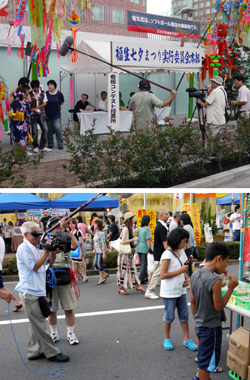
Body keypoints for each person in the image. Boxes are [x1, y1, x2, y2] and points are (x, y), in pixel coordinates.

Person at [16, 221, 69, 362]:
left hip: (38, 290)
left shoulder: (35, 246)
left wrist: (52, 252)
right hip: (29, 291)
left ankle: (34, 351)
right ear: (25, 234)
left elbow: (50, 261)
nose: (38, 236)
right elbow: (34, 266)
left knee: (36, 323)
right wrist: (46, 252)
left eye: (39, 233)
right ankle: (52, 352)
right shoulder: (23, 248)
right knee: (40, 323)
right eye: (35, 234)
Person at [190, 242, 238, 380]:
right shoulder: (214, 280)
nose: (225, 267)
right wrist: (230, 288)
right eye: (226, 261)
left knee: (203, 355)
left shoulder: (195, 274)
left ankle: (200, 377)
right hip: (211, 327)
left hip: (200, 323)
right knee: (208, 361)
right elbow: (219, 306)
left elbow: (193, 302)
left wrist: (195, 320)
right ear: (218, 258)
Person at [160, 227, 197, 351]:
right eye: (184, 241)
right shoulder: (166, 254)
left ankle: (187, 339)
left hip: (181, 290)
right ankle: (167, 338)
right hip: (169, 292)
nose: (185, 244)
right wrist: (180, 272)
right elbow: (163, 275)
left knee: (184, 316)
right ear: (176, 240)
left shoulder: (181, 252)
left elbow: (183, 267)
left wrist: (186, 277)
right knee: (169, 316)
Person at [46, 217, 79, 345]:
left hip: (65, 274)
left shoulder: (65, 236)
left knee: (69, 308)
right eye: (55, 226)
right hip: (51, 276)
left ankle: (70, 333)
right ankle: (53, 333)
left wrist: (65, 230)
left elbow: (75, 245)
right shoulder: (46, 238)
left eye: (58, 226)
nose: (57, 228)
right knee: (51, 309)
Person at [117, 212, 145, 295]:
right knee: (125, 270)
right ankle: (122, 287)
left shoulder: (128, 228)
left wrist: (133, 244)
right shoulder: (125, 228)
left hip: (127, 253)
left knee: (132, 270)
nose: (134, 219)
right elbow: (123, 241)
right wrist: (133, 240)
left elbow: (126, 241)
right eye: (132, 218)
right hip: (124, 254)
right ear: (129, 219)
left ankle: (137, 285)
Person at [145, 209, 169, 300]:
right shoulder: (161, 228)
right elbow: (165, 243)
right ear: (161, 216)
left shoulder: (160, 226)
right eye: (166, 214)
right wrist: (171, 253)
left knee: (161, 273)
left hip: (160, 254)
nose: (168, 215)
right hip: (161, 255)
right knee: (157, 274)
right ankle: (149, 291)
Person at [0, 235, 23, 312]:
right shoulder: (1, 240)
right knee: (1, 288)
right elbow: (3, 256)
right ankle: (17, 301)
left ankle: (17, 301)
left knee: (1, 288)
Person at [29, 79, 51, 153]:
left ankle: (42, 146)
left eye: (36, 87)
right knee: (34, 131)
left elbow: (45, 103)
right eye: (33, 88)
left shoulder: (43, 93)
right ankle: (35, 146)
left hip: (41, 113)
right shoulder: (30, 94)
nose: (35, 89)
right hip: (33, 114)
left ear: (38, 86)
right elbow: (30, 106)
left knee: (45, 129)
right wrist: (33, 102)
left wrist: (36, 108)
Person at [9, 86, 31, 154]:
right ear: (24, 94)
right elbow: (28, 115)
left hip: (15, 124)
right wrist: (28, 123)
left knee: (16, 140)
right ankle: (22, 158)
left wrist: (11, 125)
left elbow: (10, 115)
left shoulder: (13, 103)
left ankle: (15, 157)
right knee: (23, 140)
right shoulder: (25, 104)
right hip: (22, 124)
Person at [45, 79, 64, 150]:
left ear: (54, 86)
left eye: (51, 85)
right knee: (49, 129)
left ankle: (60, 144)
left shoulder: (59, 94)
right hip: (48, 114)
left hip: (56, 114)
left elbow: (61, 102)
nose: (50, 86)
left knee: (57, 128)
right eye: (49, 85)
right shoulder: (46, 93)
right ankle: (50, 144)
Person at [76, 215, 93, 283]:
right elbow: (87, 231)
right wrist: (92, 234)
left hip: (79, 240)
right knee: (83, 259)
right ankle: (84, 273)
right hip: (84, 240)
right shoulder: (84, 224)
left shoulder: (78, 225)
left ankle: (80, 275)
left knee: (78, 259)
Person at [180, 213, 197, 278]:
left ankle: (187, 279)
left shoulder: (185, 228)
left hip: (187, 248)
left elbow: (186, 240)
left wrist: (183, 249)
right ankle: (192, 279)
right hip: (191, 247)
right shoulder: (190, 227)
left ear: (183, 220)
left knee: (185, 264)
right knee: (189, 265)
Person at [93, 219, 109, 285]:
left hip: (101, 251)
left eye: (95, 224)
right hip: (97, 251)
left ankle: (101, 278)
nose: (94, 225)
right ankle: (104, 274)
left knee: (99, 264)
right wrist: (94, 248)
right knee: (95, 264)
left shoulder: (101, 233)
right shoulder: (95, 233)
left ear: (98, 225)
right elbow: (94, 241)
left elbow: (103, 243)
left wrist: (104, 254)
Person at [136, 214, 152, 284]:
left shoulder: (139, 228)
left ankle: (144, 277)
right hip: (144, 248)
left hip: (138, 247)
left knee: (142, 263)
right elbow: (148, 239)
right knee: (144, 264)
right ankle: (140, 278)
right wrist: (149, 249)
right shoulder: (147, 228)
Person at [70, 218, 86, 283]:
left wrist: (74, 242)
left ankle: (83, 276)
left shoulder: (78, 231)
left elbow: (81, 241)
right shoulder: (71, 231)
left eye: (72, 224)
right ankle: (83, 276)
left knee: (77, 264)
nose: (71, 225)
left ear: (74, 224)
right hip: (73, 250)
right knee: (76, 264)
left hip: (77, 250)